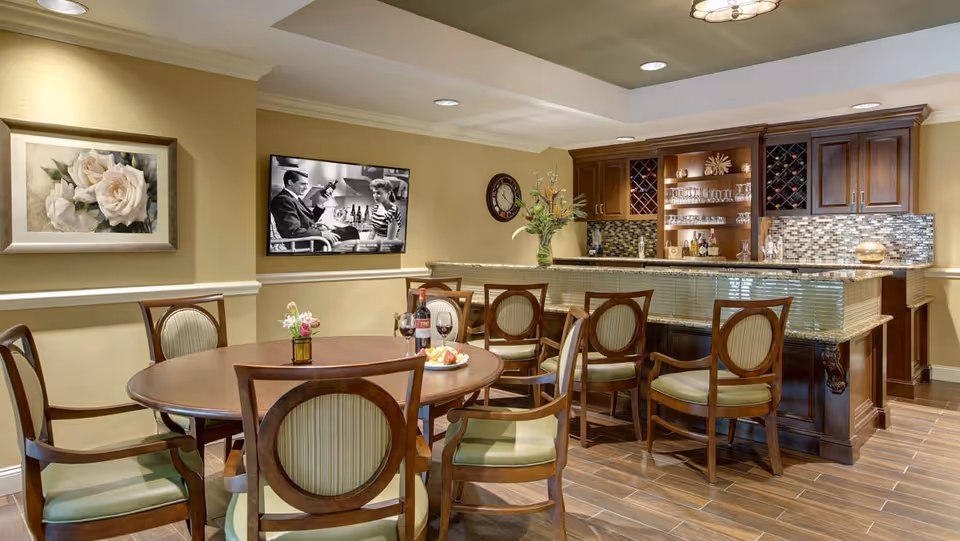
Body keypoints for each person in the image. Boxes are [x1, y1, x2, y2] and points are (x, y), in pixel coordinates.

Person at [269, 170, 357, 249]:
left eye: (307, 184)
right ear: (290, 182)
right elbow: (294, 231)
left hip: (310, 237)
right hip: (303, 242)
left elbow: (310, 220)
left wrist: (320, 203)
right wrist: (322, 234)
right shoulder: (283, 200)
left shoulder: (294, 198)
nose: (306, 187)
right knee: (351, 232)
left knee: (350, 230)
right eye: (302, 184)